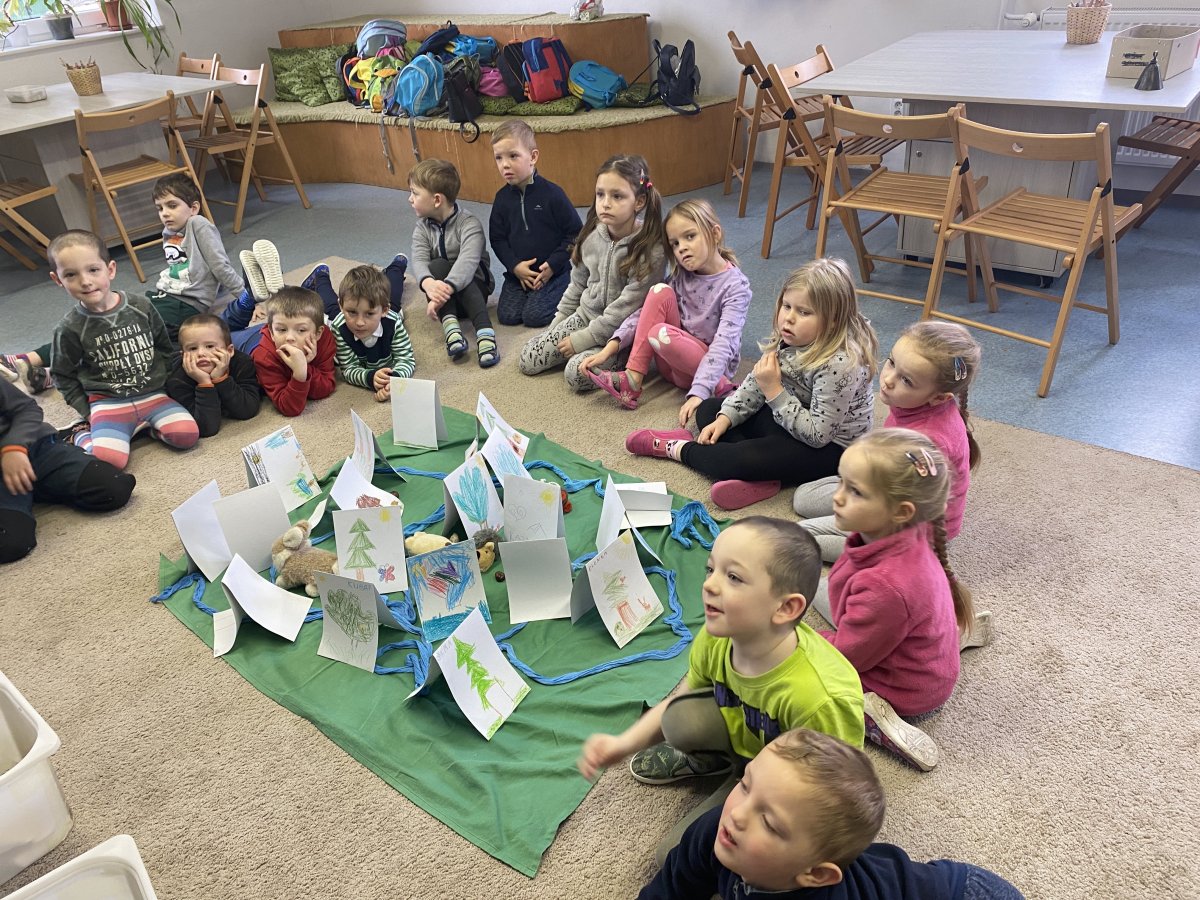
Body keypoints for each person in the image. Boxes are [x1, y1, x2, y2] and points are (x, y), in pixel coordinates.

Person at [578, 517, 864, 865]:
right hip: (750, 750)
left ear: (785, 608)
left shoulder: (819, 699)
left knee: (675, 857)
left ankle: (738, 780)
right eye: (711, 569)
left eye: (734, 577)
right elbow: (680, 702)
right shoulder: (718, 637)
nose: (710, 585)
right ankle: (716, 761)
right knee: (680, 718)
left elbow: (831, 795)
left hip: (784, 785)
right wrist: (622, 744)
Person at [642, 727, 1026, 900]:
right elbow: (675, 885)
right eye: (745, 784)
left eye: (769, 822)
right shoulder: (719, 828)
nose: (739, 814)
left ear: (814, 874)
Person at [626, 257, 877, 511]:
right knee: (710, 410)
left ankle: (679, 448)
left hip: (829, 447)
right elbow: (755, 384)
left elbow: (817, 435)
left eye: (804, 312)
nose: (789, 318)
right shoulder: (794, 334)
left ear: (833, 320)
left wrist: (774, 391)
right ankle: (761, 477)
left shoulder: (840, 364)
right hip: (789, 417)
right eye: (787, 306)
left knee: (737, 461)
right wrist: (726, 418)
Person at [821, 428, 975, 772]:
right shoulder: (906, 531)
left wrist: (802, 640)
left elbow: (847, 656)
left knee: (795, 665)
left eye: (855, 491)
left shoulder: (886, 586)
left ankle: (877, 718)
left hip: (904, 688)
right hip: (913, 653)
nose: (837, 497)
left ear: (902, 511)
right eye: (841, 482)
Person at [795, 321, 983, 563]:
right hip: (884, 486)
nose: (888, 380)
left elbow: (904, 508)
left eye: (907, 380)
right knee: (804, 498)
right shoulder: (913, 402)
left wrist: (858, 508)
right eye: (892, 362)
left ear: (939, 397)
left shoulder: (927, 443)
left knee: (797, 539)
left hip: (905, 527)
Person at [582, 198, 750, 422]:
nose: (682, 248)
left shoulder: (736, 286)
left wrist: (700, 391)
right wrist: (610, 348)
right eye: (675, 244)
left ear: (715, 234)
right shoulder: (681, 275)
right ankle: (632, 378)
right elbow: (645, 314)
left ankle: (723, 387)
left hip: (709, 372)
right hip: (670, 362)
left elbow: (724, 343)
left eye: (690, 236)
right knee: (658, 291)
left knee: (659, 332)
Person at [47, 230, 199, 470]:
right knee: (110, 462)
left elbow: (164, 346)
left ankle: (143, 429)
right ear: (58, 280)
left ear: (110, 269)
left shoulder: (141, 306)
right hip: (107, 402)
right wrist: (87, 411)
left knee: (187, 435)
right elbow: (62, 374)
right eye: (71, 275)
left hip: (153, 394)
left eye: (93, 270)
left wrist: (167, 381)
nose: (85, 281)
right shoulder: (69, 328)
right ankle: (80, 434)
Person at [519, 154, 667, 391]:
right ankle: (581, 347)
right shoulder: (590, 235)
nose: (605, 203)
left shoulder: (651, 249)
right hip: (585, 317)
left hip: (621, 336)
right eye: (600, 194)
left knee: (575, 374)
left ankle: (612, 359)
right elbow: (576, 286)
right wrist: (556, 326)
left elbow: (626, 309)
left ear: (639, 202)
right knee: (528, 358)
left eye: (617, 196)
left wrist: (583, 340)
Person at [0, 378, 135, 564]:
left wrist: (14, 447)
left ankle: (42, 484)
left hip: (30, 446)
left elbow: (27, 408)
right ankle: (26, 498)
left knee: (115, 487)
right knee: (12, 543)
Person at [489, 120, 582, 328]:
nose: (505, 164)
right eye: (498, 157)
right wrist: (515, 267)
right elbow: (497, 239)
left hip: (552, 272)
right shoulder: (501, 199)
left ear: (533, 157)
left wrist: (553, 265)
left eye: (513, 156)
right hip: (518, 274)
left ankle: (569, 286)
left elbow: (575, 233)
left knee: (534, 317)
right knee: (508, 316)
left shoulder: (553, 194)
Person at [408, 159, 499, 367]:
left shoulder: (469, 224)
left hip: (475, 291)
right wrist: (428, 284)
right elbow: (419, 259)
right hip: (445, 299)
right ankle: (452, 330)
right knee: (436, 266)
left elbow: (467, 263)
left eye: (415, 193)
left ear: (437, 200)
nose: (410, 199)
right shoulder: (422, 228)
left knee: (463, 275)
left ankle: (485, 333)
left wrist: (441, 293)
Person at [145, 173, 249, 343]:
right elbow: (187, 265)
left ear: (193, 208)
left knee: (150, 329)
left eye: (172, 206)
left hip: (186, 303)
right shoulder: (169, 231)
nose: (165, 213)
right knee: (132, 312)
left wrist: (246, 298)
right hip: (166, 294)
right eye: (160, 208)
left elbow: (219, 265)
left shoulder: (198, 224)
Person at [329, 264, 416, 402]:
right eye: (352, 312)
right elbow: (348, 369)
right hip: (336, 319)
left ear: (384, 311)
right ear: (341, 306)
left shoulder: (393, 322)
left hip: (386, 315)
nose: (360, 323)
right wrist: (370, 378)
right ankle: (321, 276)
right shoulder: (338, 328)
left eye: (369, 314)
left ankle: (398, 264)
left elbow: (406, 359)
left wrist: (394, 379)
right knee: (327, 306)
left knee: (395, 296)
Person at [165, 314, 261, 438]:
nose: (201, 353)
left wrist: (221, 379)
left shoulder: (241, 363)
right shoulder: (177, 379)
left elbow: (248, 410)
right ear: (183, 355)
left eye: (210, 346)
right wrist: (204, 383)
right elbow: (207, 428)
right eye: (193, 348)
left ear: (229, 351)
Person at [250, 286, 336, 417]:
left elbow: (326, 388)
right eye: (282, 330)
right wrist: (299, 373)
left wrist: (305, 367)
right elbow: (289, 407)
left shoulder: (325, 338)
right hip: (248, 341)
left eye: (301, 330)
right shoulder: (264, 356)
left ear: (318, 333)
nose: (290, 338)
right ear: (271, 332)